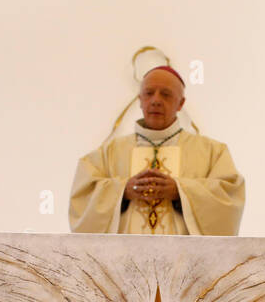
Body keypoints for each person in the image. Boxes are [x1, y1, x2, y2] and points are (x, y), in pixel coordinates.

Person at [69, 66, 245, 235]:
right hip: (124, 258)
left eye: (166, 94)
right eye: (149, 93)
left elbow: (229, 199)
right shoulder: (109, 152)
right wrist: (123, 191)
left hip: (184, 259)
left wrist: (180, 191)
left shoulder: (212, 152)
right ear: (140, 100)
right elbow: (83, 198)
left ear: (181, 103)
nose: (156, 100)